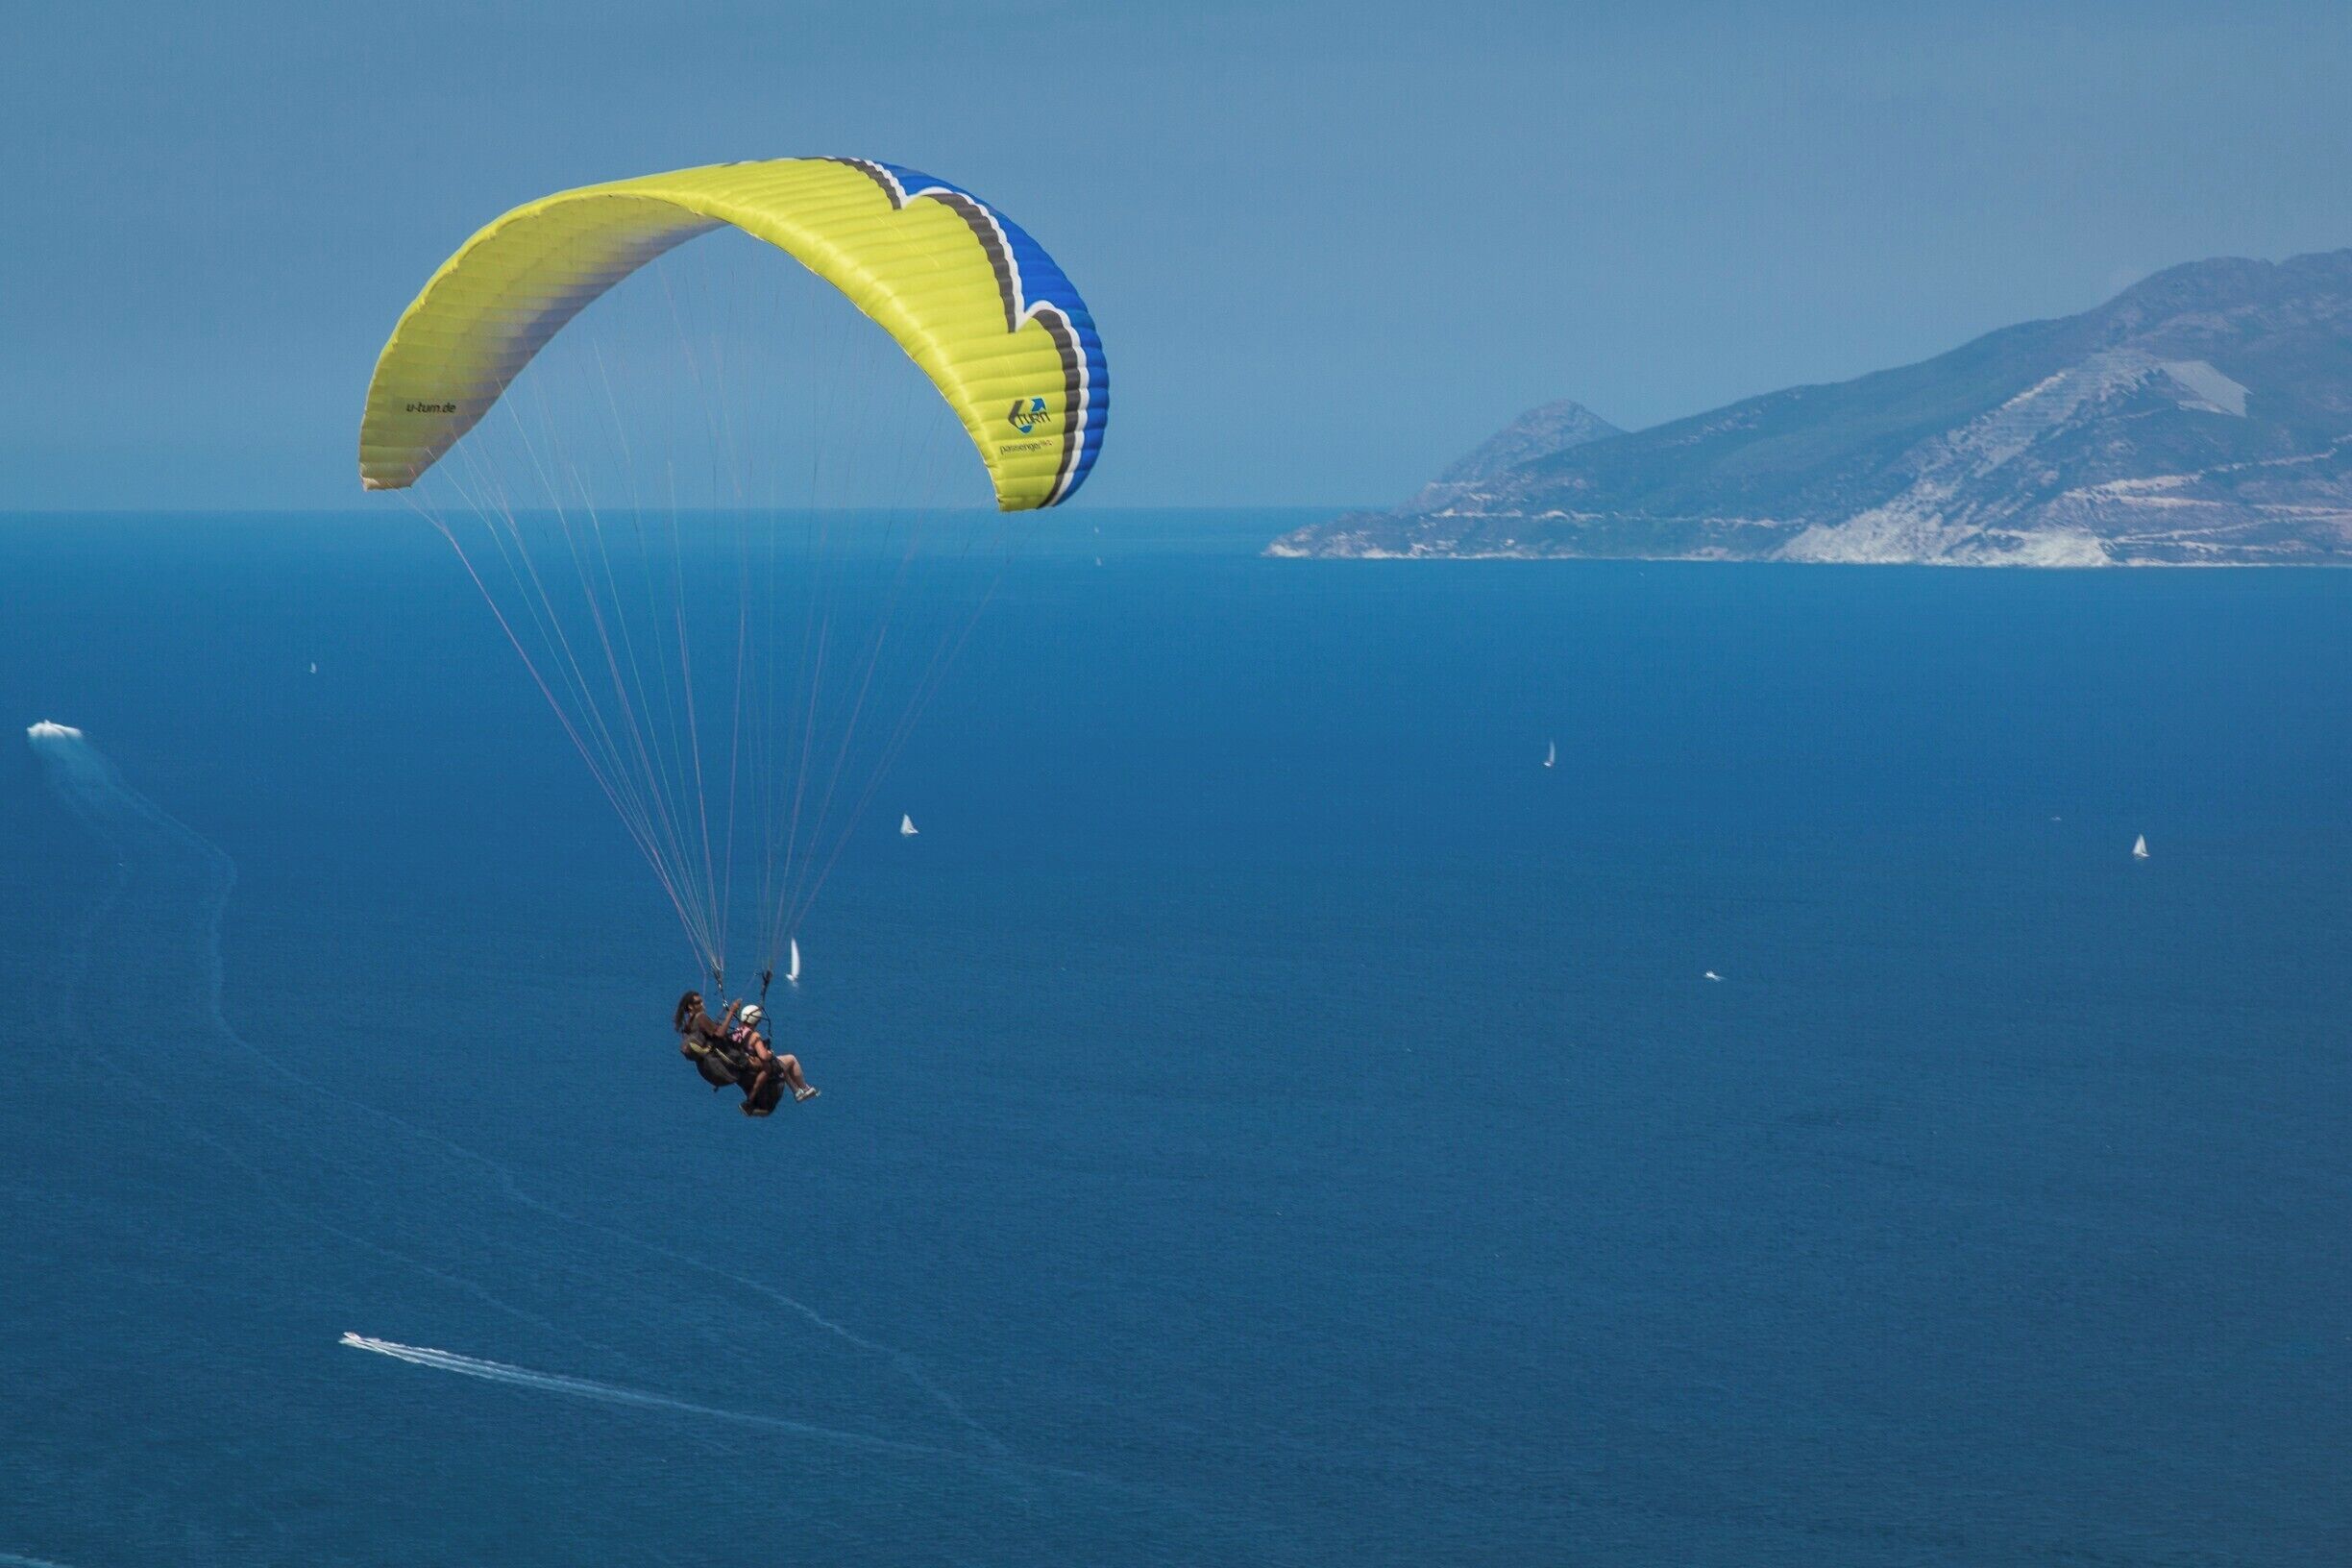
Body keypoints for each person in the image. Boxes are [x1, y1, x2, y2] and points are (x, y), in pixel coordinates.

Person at [726, 1001, 819, 1115]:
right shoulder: (754, 1036)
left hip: (747, 1061)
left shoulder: (738, 1030)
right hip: (758, 1065)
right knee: (791, 1059)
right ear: (757, 1021)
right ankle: (804, 1088)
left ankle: (796, 1091)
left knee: (781, 1064)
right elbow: (764, 1056)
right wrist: (769, 1053)